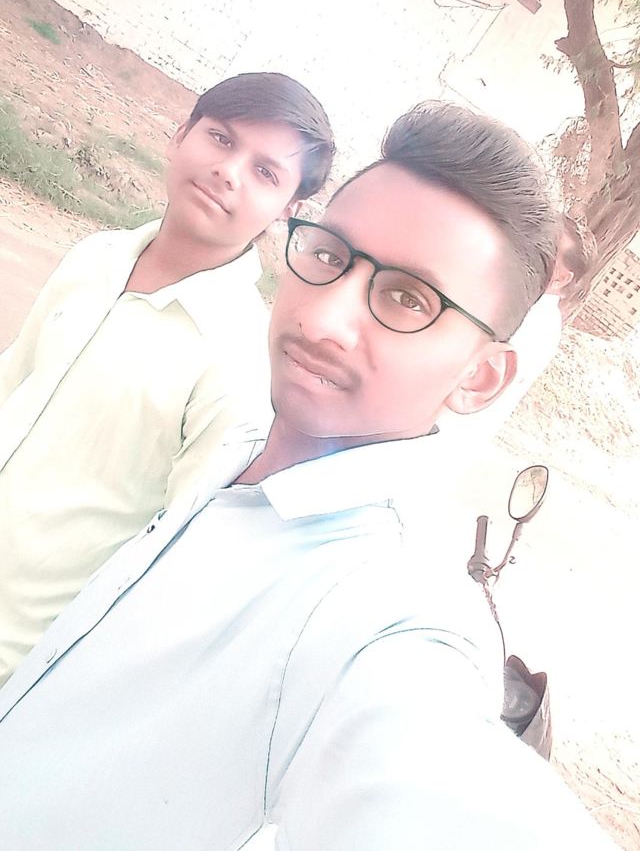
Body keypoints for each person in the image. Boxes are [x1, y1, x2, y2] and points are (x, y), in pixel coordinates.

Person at [0, 103, 614, 850]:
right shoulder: (241, 446)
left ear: (480, 378)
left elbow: (434, 775)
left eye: (408, 300)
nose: (322, 319)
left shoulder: (388, 609)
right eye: (329, 256)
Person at [0, 72, 334, 685]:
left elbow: (172, 557)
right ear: (181, 135)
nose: (228, 171)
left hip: (18, 654)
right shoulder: (96, 257)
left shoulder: (236, 362)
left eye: (265, 172)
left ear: (288, 210)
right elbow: (14, 382)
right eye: (221, 138)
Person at [436, 212, 597, 444]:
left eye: (545, 248)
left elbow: (458, 373)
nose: (528, 247)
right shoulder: (532, 311)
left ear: (561, 278)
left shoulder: (530, 320)